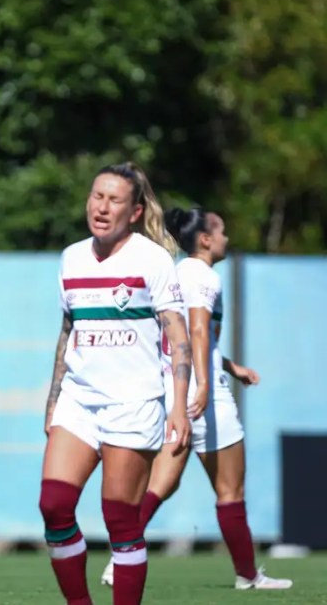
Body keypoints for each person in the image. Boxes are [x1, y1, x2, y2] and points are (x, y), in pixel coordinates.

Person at [98, 207, 292, 591]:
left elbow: (183, 337)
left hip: (173, 392)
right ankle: (247, 575)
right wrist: (204, 385)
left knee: (160, 485)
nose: (226, 238)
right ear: (205, 239)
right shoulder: (204, 276)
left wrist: (232, 367)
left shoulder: (175, 272)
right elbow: (199, 331)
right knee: (230, 491)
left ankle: (120, 560)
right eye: (221, 232)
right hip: (204, 397)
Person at [38, 162, 192, 605]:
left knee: (120, 520)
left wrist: (178, 406)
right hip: (78, 401)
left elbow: (178, 337)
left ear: (135, 211)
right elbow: (68, 331)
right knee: (53, 506)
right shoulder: (71, 257)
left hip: (134, 403)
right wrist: (53, 400)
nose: (102, 207)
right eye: (97, 196)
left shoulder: (152, 259)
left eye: (114, 200)